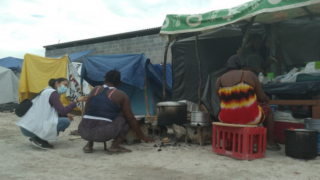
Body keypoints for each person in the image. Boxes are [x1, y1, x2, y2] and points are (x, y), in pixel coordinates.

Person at [78, 70, 155, 153]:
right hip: (104, 134)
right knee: (125, 117)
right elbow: (131, 119)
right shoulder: (121, 95)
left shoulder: (95, 89)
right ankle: (115, 146)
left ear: (105, 80)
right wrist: (143, 137)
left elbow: (87, 110)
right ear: (119, 83)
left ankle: (89, 145)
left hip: (83, 131)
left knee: (92, 117)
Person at [215, 55, 280, 151]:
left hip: (225, 119)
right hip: (249, 118)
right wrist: (266, 98)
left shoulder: (218, 80)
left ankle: (234, 142)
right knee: (268, 109)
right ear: (242, 64)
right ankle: (270, 143)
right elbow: (261, 98)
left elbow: (224, 100)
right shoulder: (248, 75)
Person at [16, 78, 87, 150]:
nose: (65, 88)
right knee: (66, 121)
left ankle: (36, 137)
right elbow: (62, 111)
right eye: (64, 85)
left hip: (26, 127)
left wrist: (66, 114)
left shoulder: (46, 91)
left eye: (67, 86)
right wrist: (77, 101)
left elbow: (50, 111)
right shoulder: (52, 93)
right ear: (57, 83)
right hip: (29, 129)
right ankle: (40, 139)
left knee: (63, 118)